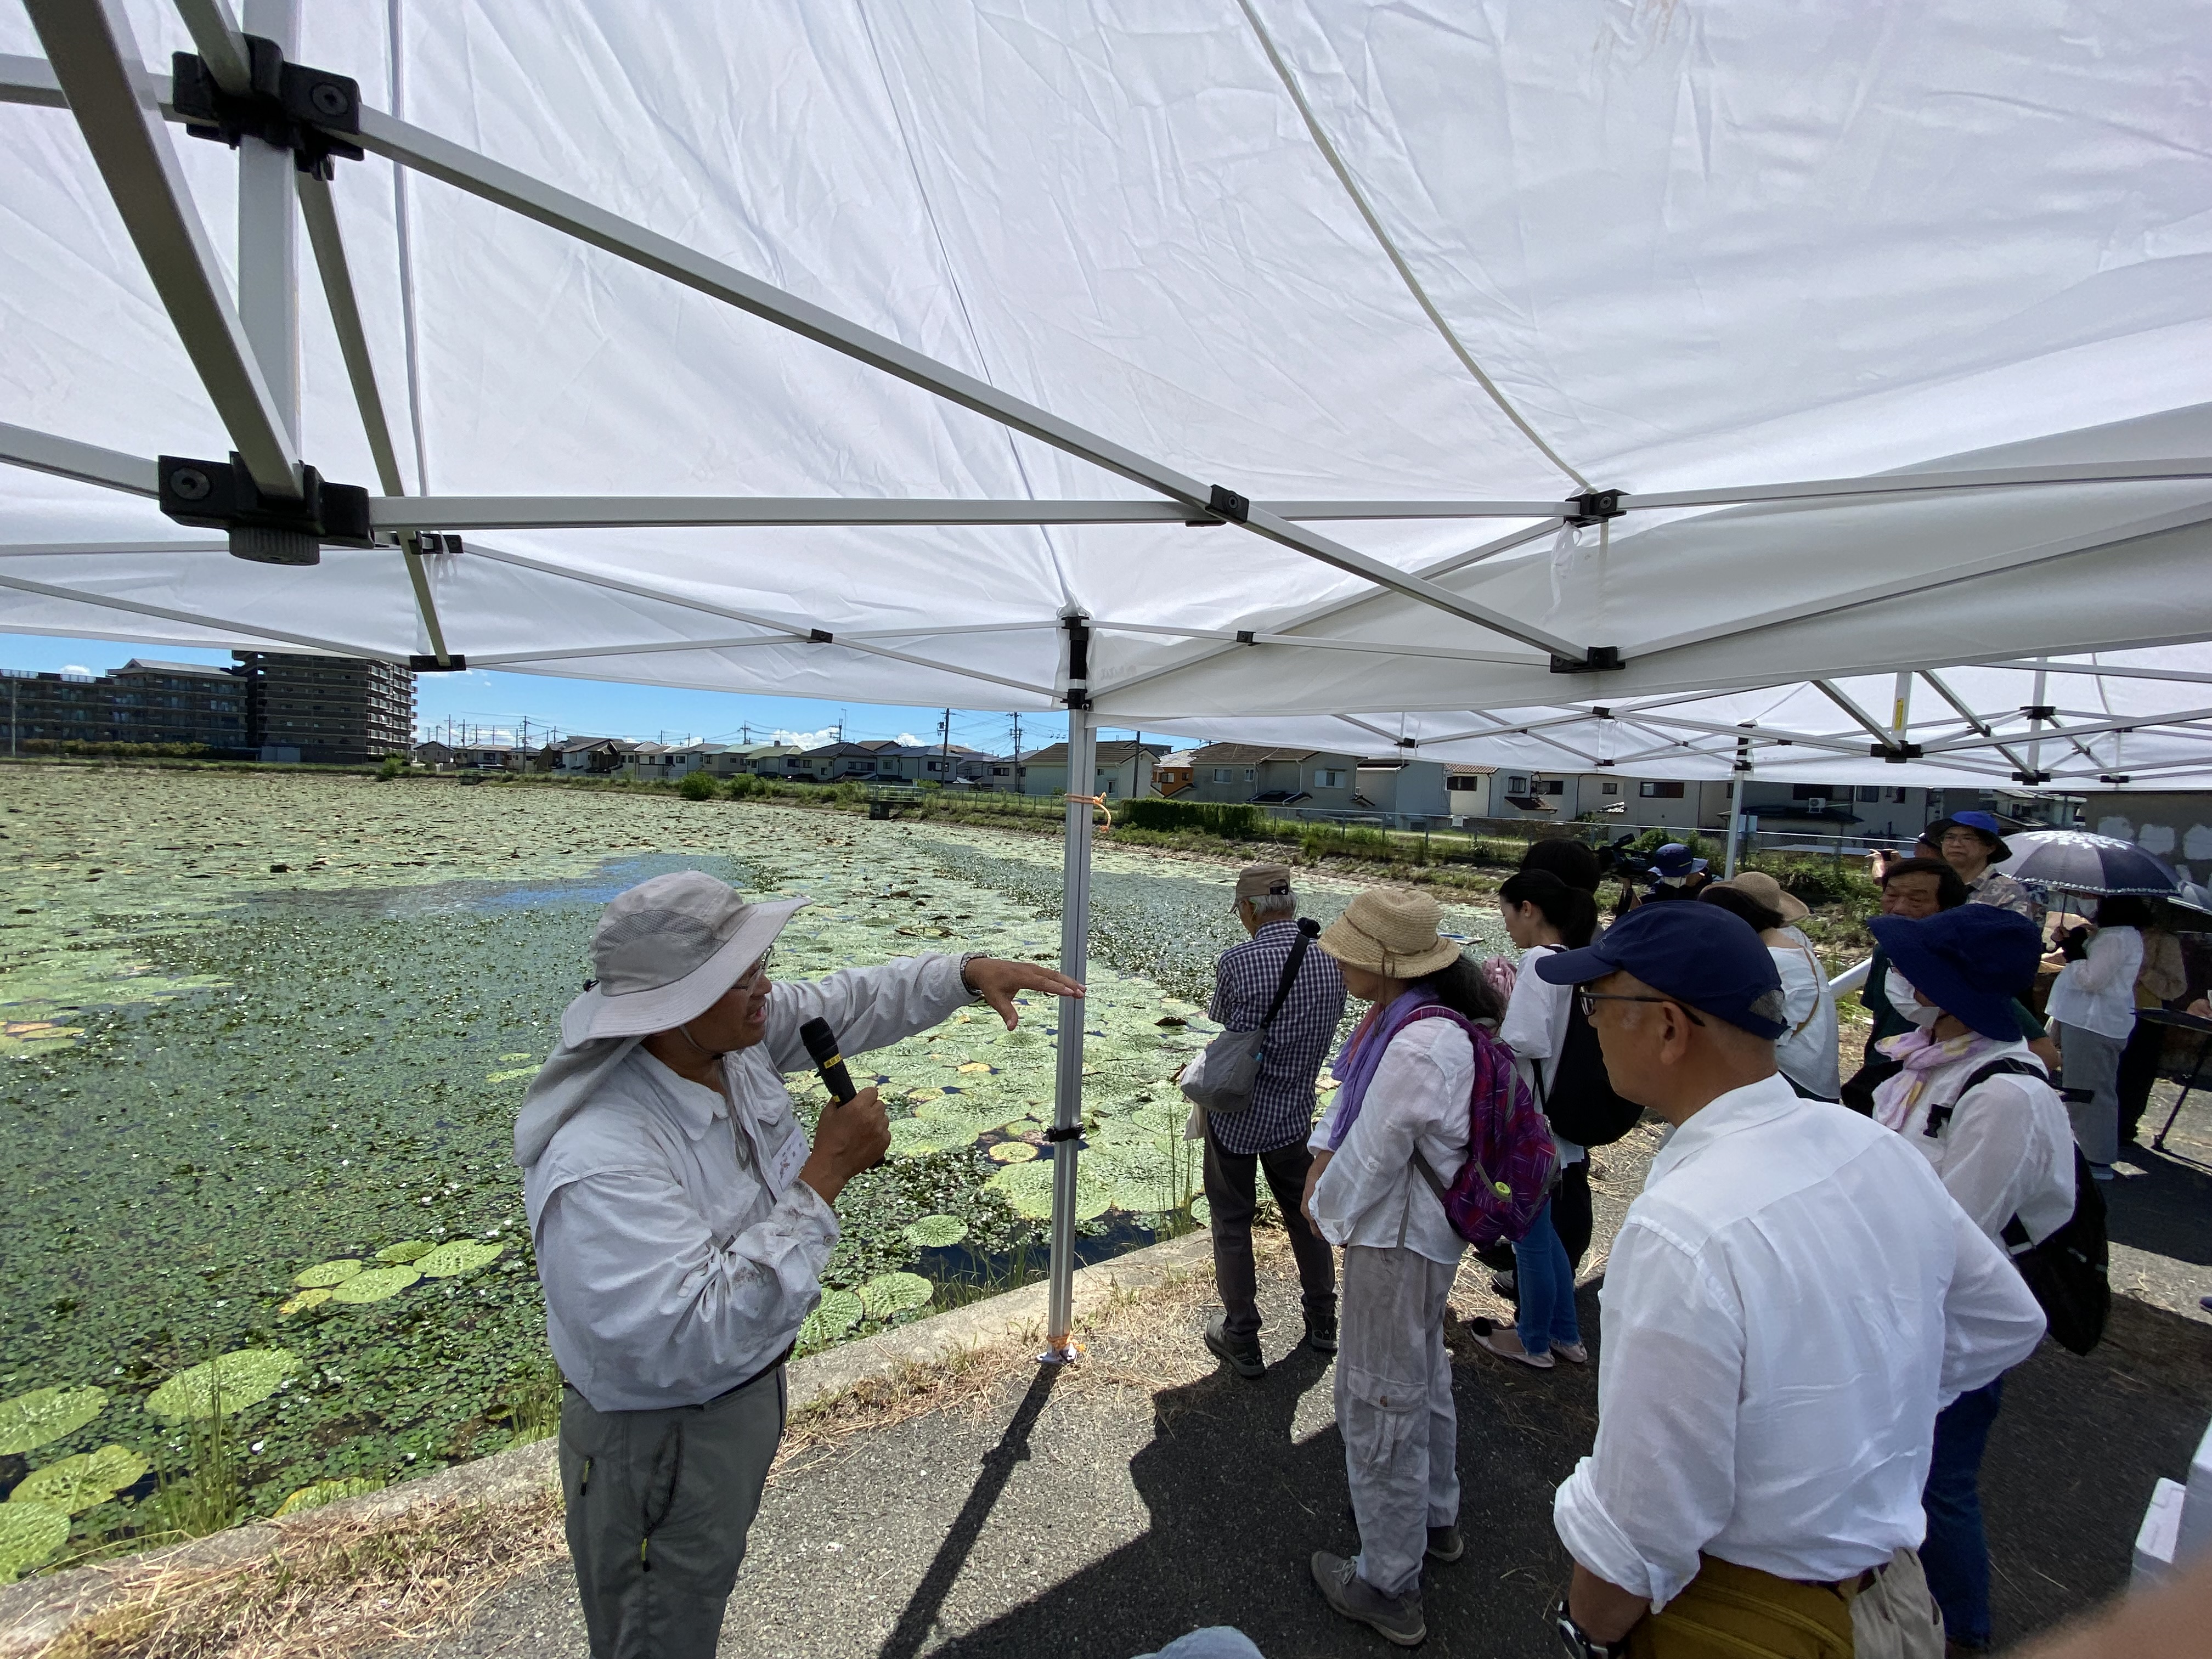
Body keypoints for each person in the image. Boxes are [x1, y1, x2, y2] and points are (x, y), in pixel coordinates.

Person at [514, 871, 1082, 1659]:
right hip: (662, 1439)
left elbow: (847, 999)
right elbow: (684, 1337)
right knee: (660, 1625)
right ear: (673, 1002)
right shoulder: (603, 1153)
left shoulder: (723, 1045)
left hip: (742, 1399)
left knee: (704, 1584)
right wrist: (827, 1174)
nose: (766, 988)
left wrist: (961, 974)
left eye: (757, 967)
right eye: (741, 976)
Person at [1534, 904, 2046, 1659]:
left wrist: (1589, 1633)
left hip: (1752, 1607)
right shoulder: (1868, 1143)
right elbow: (2005, 1319)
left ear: (1669, 1027)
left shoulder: (1682, 1226)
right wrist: (1864, 1414)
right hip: (1894, 1597)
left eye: (1598, 1004)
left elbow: (1644, 1515)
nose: (1591, 1024)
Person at [1862, 903, 2074, 1655]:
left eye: (1919, 971)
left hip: (1948, 1320)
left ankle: (1962, 1629)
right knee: (1901, 1476)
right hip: (1896, 1305)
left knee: (1940, 1484)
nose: (1903, 981)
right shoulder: (1928, 1062)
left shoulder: (2007, 1094)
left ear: (1951, 988)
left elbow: (1959, 1231)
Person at [1299, 887, 1502, 1647]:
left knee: (1379, 1395)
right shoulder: (1412, 1021)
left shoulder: (1416, 1044)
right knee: (1423, 1372)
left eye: (1351, 951)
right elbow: (1357, 1115)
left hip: (1398, 1237)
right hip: (1425, 1238)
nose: (1341, 961)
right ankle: (1435, 1516)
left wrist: (1323, 1213)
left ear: (1383, 964)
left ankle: (1387, 1581)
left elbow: (1374, 1153)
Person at [1199, 863, 1348, 1379]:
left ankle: (1242, 1335)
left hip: (1236, 1119)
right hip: (1293, 1116)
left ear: (1248, 909)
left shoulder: (1238, 961)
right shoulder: (1332, 960)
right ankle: (1324, 1320)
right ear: (1290, 903)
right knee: (1308, 1216)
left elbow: (1227, 1028)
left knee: (1232, 1222)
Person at [1476, 868, 1599, 1369]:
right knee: (1543, 1232)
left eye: (1507, 911)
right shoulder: (1579, 961)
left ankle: (1530, 1341)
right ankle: (1566, 1334)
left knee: (1528, 1233)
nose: (1505, 923)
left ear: (1528, 909)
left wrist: (1487, 1031)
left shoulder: (1537, 962)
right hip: (1565, 1115)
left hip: (1533, 1119)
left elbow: (1527, 1040)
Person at [1859, 856, 2059, 1073]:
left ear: (1948, 909)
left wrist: (1958, 1073)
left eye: (1916, 900)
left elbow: (2045, 1054)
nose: (1898, 908)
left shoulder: (1960, 970)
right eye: (1891, 895)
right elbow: (1881, 1021)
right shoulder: (1884, 953)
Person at [1699, 870, 1841, 1099]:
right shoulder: (1791, 940)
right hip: (1810, 1073)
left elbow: (1755, 1030)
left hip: (1791, 1083)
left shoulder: (1772, 961)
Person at [2046, 895, 2151, 1177]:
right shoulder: (2112, 935)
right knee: (2077, 1088)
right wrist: (2073, 942)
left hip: (2093, 1022)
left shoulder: (2117, 938)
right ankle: (2074, 1148)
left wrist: (2074, 950)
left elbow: (2092, 979)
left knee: (2089, 1092)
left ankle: (2096, 1158)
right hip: (2078, 1017)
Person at [2115, 904, 2188, 1146]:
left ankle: (2126, 1124)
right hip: (2112, 1012)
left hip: (2145, 1016)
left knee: (2135, 1073)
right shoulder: (2113, 934)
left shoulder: (2164, 942)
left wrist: (2144, 972)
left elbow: (2176, 986)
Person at [1928, 811, 2035, 918]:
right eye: (1950, 837)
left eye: (1967, 838)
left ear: (1990, 847)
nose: (1956, 844)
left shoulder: (2009, 892)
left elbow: (2017, 934)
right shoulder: (1932, 884)